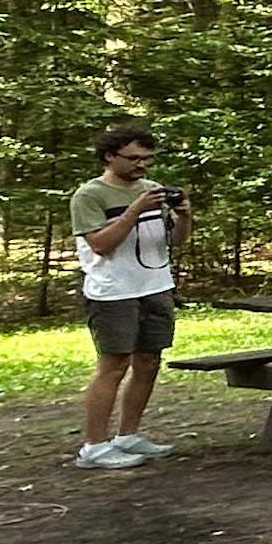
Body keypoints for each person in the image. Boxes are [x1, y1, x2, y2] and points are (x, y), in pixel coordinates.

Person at [71, 121, 189, 470]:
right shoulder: (89, 195)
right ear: (110, 156)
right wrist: (134, 210)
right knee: (114, 365)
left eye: (148, 159)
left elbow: (176, 241)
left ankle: (128, 435)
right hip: (113, 292)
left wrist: (184, 215)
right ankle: (93, 446)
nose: (142, 166)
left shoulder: (152, 189)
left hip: (155, 286)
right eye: (135, 158)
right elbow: (101, 245)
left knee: (149, 361)